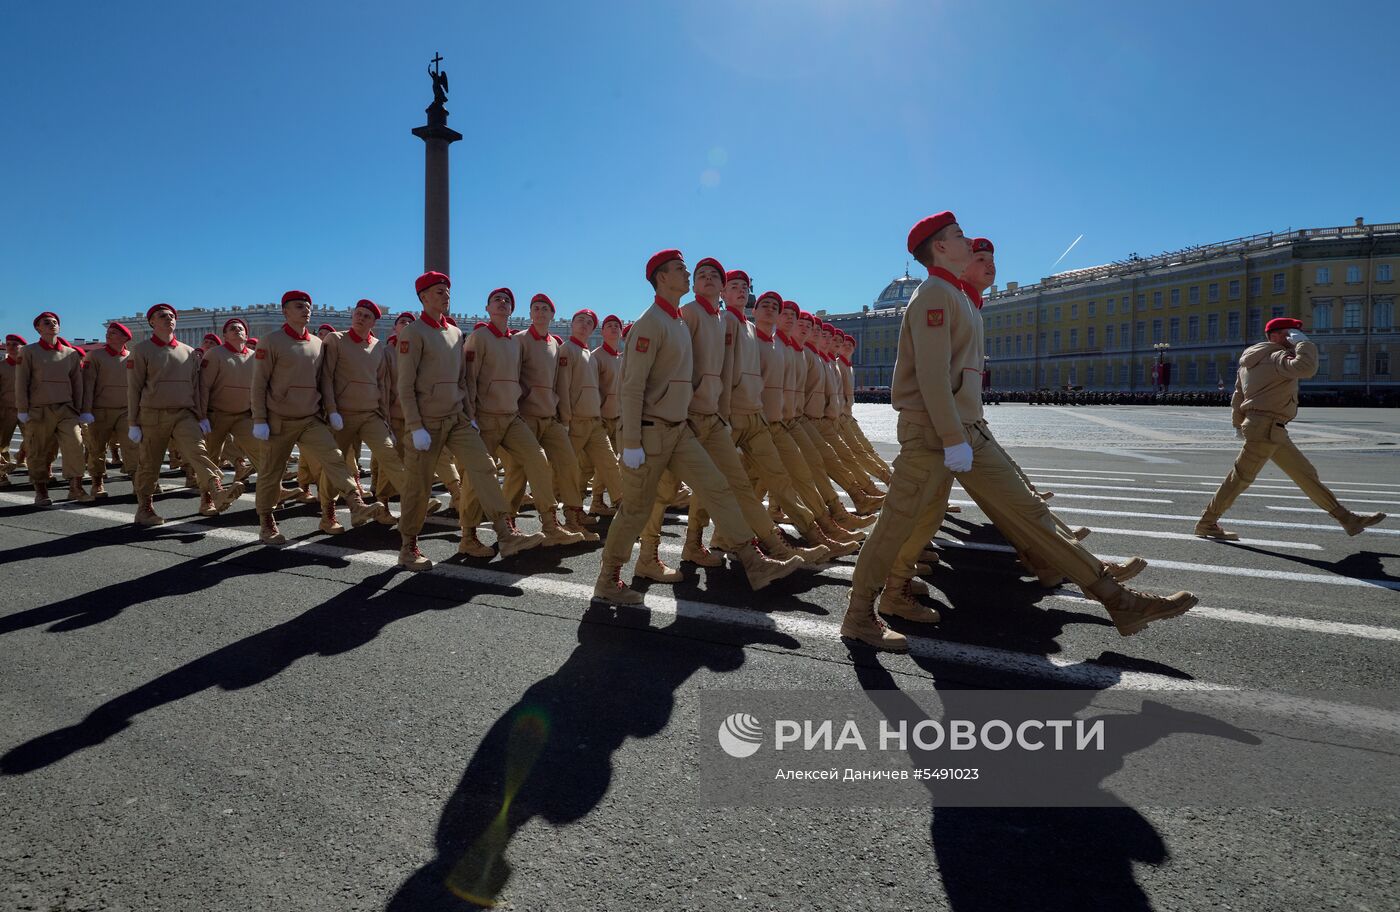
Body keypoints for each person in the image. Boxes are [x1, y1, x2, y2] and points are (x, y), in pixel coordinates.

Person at [842, 212, 1196, 651]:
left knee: (1030, 513)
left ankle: (1117, 600)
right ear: (940, 248)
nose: (968, 240)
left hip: (966, 431)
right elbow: (933, 377)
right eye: (958, 235)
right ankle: (860, 615)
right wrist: (954, 439)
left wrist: (966, 432)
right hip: (934, 435)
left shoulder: (957, 295)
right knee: (895, 525)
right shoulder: (934, 293)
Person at [592, 249, 801, 605]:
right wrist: (629, 442)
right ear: (661, 278)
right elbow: (631, 385)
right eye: (680, 270)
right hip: (650, 432)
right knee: (636, 509)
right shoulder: (652, 322)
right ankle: (608, 579)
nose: (687, 275)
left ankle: (754, 562)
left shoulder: (675, 320)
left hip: (679, 430)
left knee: (717, 487)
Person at [397, 272, 544, 569]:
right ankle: (408, 547)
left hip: (457, 419)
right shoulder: (413, 333)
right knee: (419, 486)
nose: (445, 295)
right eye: (438, 291)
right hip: (427, 422)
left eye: (447, 291)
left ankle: (505, 533)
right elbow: (405, 385)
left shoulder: (454, 333)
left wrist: (469, 414)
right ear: (423, 298)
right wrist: (415, 426)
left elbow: (463, 380)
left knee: (485, 468)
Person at [1196, 317, 1385, 539]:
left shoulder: (1248, 362)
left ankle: (1348, 519)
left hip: (1266, 428)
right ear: (1275, 336)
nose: (1292, 338)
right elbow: (1306, 368)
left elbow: (1238, 397)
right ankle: (1207, 522)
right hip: (1267, 427)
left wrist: (1238, 424)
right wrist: (1304, 344)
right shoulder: (1277, 356)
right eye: (1290, 333)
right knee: (1240, 479)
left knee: (1305, 474)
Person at [718, 271, 850, 560]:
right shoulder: (726, 322)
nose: (773, 312)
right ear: (725, 294)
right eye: (734, 287)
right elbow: (723, 370)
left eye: (775, 308)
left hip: (761, 419)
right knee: (722, 485)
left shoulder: (755, 333)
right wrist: (723, 416)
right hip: (733, 417)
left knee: (781, 478)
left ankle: (820, 531)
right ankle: (700, 542)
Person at [251, 291, 388, 545]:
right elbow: (259, 384)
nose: (306, 310)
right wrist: (260, 419)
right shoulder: (271, 341)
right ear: (285, 312)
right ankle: (267, 521)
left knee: (335, 459)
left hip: (311, 419)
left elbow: (323, 381)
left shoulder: (317, 343)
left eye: (308, 307)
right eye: (299, 306)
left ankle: (355, 502)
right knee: (271, 472)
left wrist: (330, 410)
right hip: (278, 420)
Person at [461, 288, 582, 551]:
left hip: (511, 416)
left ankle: (550, 525)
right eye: (497, 300)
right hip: (485, 417)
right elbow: (469, 379)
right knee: (478, 475)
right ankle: (468, 537)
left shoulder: (514, 342)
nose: (502, 303)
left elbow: (518, 377)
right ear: (487, 307)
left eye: (507, 301)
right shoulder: (479, 337)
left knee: (537, 459)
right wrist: (470, 416)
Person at [127, 303, 243, 524]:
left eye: (171, 316)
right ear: (152, 322)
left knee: (198, 452)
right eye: (162, 316)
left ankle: (217, 490)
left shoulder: (189, 351)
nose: (168, 319)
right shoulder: (142, 350)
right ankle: (145, 508)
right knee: (150, 463)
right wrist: (133, 422)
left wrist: (201, 416)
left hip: (184, 414)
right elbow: (134, 388)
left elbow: (196, 387)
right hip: (153, 414)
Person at [319, 298, 426, 534]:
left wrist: (385, 420)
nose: (360, 318)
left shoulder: (378, 347)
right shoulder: (336, 340)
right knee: (336, 463)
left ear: (374, 322)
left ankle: (415, 503)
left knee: (390, 456)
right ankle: (328, 514)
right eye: (358, 313)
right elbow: (326, 377)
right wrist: (332, 410)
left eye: (366, 316)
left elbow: (382, 385)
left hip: (371, 414)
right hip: (342, 415)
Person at [501, 293, 595, 540]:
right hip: (524, 417)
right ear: (530, 314)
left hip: (550, 417)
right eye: (536, 308)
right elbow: (510, 377)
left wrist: (563, 418)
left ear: (552, 315)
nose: (541, 312)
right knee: (517, 472)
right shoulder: (518, 341)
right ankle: (509, 525)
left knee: (568, 463)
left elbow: (560, 384)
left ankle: (572, 519)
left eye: (545, 308)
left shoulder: (555, 343)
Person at [15, 313, 87, 505]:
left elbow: (77, 383)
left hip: (66, 409)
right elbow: (21, 382)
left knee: (75, 444)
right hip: (39, 409)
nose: (52, 325)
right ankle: (41, 489)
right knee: (38, 449)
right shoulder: (29, 352)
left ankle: (75, 487)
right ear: (38, 328)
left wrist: (79, 409)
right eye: (47, 323)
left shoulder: (70, 353)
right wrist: (23, 408)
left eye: (55, 322)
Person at [560, 308, 622, 530]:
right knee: (573, 469)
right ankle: (569, 515)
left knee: (610, 465)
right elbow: (563, 387)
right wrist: (565, 421)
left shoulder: (587, 353)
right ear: (572, 324)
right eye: (580, 320)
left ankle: (624, 509)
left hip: (595, 420)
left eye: (589, 322)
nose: (584, 324)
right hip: (577, 420)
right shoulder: (568, 349)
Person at [82, 322, 138, 496]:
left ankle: (138, 483)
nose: (109, 335)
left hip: (125, 411)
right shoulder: (95, 356)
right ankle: (97, 482)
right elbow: (88, 384)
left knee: (132, 448)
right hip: (100, 411)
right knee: (97, 448)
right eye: (108, 332)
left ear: (125, 338)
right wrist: (86, 410)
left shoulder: (132, 357)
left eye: (114, 333)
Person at [585, 313, 625, 516]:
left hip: (618, 418)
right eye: (609, 325)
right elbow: (592, 388)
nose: (613, 328)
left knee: (609, 462)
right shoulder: (596, 356)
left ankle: (598, 501)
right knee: (605, 461)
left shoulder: (622, 358)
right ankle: (602, 501)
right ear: (602, 332)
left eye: (616, 325)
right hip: (601, 418)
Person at [0, 334, 24, 480]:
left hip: (26, 410)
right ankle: (2, 474)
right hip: (6, 410)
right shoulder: (1, 366)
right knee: (2, 444)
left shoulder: (28, 365)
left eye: (15, 344)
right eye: (8, 344)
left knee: (35, 440)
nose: (11, 347)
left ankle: (22, 454)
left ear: (22, 347)